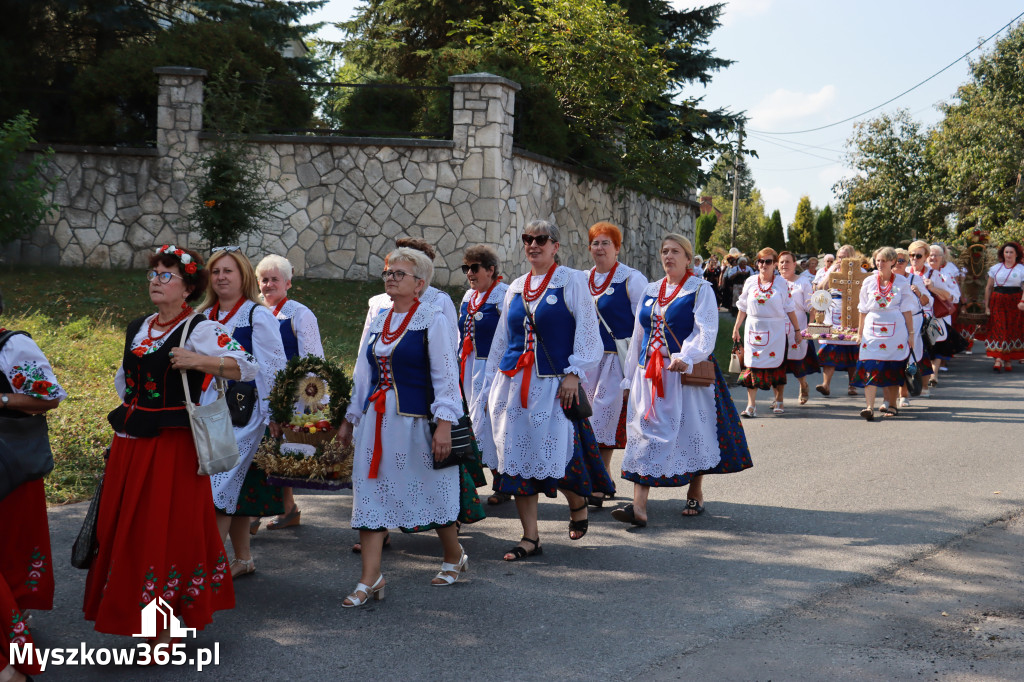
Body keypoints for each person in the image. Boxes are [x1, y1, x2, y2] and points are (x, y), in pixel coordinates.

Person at [84, 246, 256, 645]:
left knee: (164, 528)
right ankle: (132, 611)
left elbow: (245, 366)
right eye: (153, 275)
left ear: (188, 286)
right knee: (127, 527)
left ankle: (165, 628)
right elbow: (125, 381)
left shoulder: (201, 329)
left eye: (166, 275)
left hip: (173, 445)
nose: (156, 282)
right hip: (131, 440)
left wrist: (199, 362)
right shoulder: (139, 327)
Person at [337, 247, 481, 606]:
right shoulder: (378, 317)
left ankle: (453, 555)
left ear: (420, 283)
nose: (390, 278)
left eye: (399, 273)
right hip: (376, 422)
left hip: (416, 423)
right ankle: (370, 578)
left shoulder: (432, 318)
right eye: (388, 272)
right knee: (370, 493)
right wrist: (349, 420)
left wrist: (444, 425)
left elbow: (446, 377)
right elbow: (362, 372)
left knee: (429, 489)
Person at [483, 219, 613, 561]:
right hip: (513, 385)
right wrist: (488, 388)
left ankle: (577, 502)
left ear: (555, 246)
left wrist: (575, 372)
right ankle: (530, 537)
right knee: (516, 460)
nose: (533, 244)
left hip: (554, 386)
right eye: (528, 239)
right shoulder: (514, 287)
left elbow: (588, 331)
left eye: (541, 239)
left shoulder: (571, 281)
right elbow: (502, 342)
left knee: (558, 457)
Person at [611, 235, 751, 526]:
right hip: (649, 374)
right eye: (664, 251)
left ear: (689, 259)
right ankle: (638, 507)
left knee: (692, 431)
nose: (668, 256)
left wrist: (686, 356)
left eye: (675, 251)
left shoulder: (700, 290)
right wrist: (629, 378)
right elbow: (638, 336)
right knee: (644, 433)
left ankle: (696, 491)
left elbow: (706, 331)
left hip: (683, 374)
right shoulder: (651, 290)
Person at [200, 247, 288, 578]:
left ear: (243, 277)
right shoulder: (204, 315)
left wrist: (274, 415)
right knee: (234, 485)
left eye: (229, 271)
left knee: (218, 486)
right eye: (216, 271)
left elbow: (274, 368)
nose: (221, 277)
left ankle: (204, 567)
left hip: (244, 413)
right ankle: (242, 558)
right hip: (206, 411)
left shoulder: (256, 315)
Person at [0, 289, 66, 682]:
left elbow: (48, 398)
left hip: (9, 463)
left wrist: (2, 400)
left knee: (14, 546)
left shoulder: (13, 346)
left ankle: (12, 643)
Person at [252, 254, 325, 533]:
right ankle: (287, 508)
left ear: (288, 283)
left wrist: (309, 401)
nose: (269, 284)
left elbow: (313, 362)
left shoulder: (299, 314)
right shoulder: (253, 310)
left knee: (279, 452)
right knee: (262, 450)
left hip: (288, 396)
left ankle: (259, 512)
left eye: (275, 279)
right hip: (255, 392)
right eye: (264, 279)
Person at [581, 222, 648, 508]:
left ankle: (599, 478)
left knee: (603, 419)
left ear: (618, 247)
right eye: (596, 243)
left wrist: (635, 368)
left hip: (616, 359)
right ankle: (602, 477)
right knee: (585, 418)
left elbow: (642, 326)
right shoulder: (582, 279)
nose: (600, 248)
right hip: (587, 361)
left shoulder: (632, 279)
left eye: (606, 243)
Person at [457, 244, 510, 505]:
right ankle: (469, 486)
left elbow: (512, 335)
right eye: (466, 268)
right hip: (468, 368)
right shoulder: (468, 297)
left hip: (493, 368)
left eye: (474, 268)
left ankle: (503, 483)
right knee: (471, 425)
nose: (469, 273)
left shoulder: (503, 295)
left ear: (491, 270)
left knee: (492, 423)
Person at [733, 248, 801, 417]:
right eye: (761, 261)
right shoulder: (750, 281)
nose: (764, 265)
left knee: (776, 366)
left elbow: (790, 308)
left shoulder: (781, 283)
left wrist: (797, 330)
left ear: (775, 264)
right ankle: (751, 406)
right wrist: (736, 328)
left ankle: (779, 400)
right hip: (753, 330)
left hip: (775, 331)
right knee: (752, 366)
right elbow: (742, 307)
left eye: (768, 261)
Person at [360, 238, 459, 352]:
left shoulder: (439, 300)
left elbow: (450, 346)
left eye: (401, 272)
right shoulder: (379, 303)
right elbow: (365, 347)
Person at [851, 247, 915, 420]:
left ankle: (893, 405)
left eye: (884, 260)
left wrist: (911, 334)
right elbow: (862, 309)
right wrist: (859, 332)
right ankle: (869, 407)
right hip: (872, 328)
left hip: (896, 329)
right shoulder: (869, 282)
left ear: (893, 262)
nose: (879, 264)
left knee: (892, 367)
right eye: (877, 260)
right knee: (870, 364)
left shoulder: (901, 282)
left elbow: (907, 310)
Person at [814, 245, 861, 396]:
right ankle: (826, 384)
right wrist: (832, 273)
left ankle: (852, 385)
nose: (842, 260)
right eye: (840, 257)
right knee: (830, 350)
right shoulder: (830, 271)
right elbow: (820, 289)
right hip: (832, 313)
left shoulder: (861, 272)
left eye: (845, 257)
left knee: (851, 351)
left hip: (851, 313)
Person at [894, 247, 934, 407]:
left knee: (909, 357)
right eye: (895, 260)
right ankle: (890, 397)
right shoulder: (883, 279)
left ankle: (904, 395)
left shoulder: (914, 279)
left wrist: (918, 293)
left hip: (913, 322)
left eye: (902, 260)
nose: (898, 263)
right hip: (892, 323)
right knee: (893, 357)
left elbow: (927, 301)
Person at [778, 251, 819, 405]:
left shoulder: (803, 283)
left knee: (797, 363)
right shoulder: (774, 282)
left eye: (787, 262)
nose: (784, 265)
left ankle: (803, 385)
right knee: (778, 364)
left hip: (798, 327)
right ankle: (778, 398)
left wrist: (811, 326)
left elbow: (812, 307)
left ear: (794, 264)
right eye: (781, 262)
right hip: (778, 328)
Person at [922, 243, 963, 383]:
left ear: (942, 257)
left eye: (936, 255)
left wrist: (934, 289)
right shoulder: (917, 273)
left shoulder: (946, 274)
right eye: (930, 255)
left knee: (937, 345)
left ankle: (934, 374)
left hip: (939, 314)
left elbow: (954, 296)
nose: (933, 258)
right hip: (922, 314)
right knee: (925, 345)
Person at [983, 241, 1024, 371]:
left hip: (1015, 301)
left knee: (1012, 329)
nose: (1008, 255)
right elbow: (989, 287)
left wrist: (1022, 301)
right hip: (997, 301)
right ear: (1003, 254)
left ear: (1017, 254)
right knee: (999, 328)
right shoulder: (995, 268)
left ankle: (1007, 360)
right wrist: (987, 307)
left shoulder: (1021, 269)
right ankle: (999, 358)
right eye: (1006, 252)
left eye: (1011, 252)